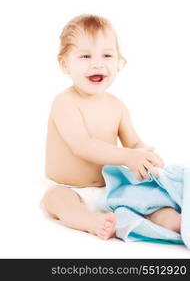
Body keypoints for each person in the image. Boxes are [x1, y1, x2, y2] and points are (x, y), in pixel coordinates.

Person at [41, 14, 181, 240]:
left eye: (107, 55)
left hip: (110, 188)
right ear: (65, 64)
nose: (97, 63)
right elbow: (82, 145)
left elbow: (133, 143)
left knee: (144, 195)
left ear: (119, 62)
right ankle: (91, 221)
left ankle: (168, 218)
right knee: (55, 199)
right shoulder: (65, 103)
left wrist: (144, 155)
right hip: (69, 187)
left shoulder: (117, 106)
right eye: (85, 56)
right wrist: (128, 157)